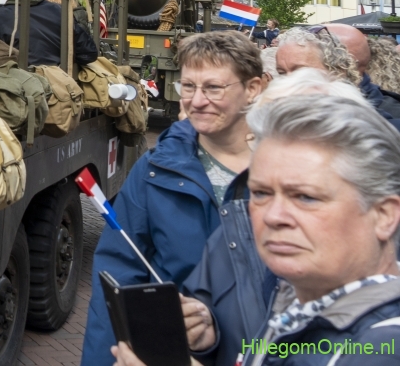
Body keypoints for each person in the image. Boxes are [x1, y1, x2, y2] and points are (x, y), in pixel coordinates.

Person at [127, 93, 400, 366]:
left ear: (384, 215)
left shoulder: (383, 348)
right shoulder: (294, 303)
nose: (273, 216)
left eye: (306, 197)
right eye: (260, 193)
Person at [81, 31, 265, 365]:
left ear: (252, 89)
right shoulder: (155, 170)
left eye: (213, 88)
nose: (197, 101)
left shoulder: (283, 173)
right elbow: (119, 274)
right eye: (188, 86)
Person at [276, 26, 400, 118]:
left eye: (301, 72)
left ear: (339, 69)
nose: (288, 82)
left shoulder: (381, 127)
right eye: (281, 73)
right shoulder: (278, 120)